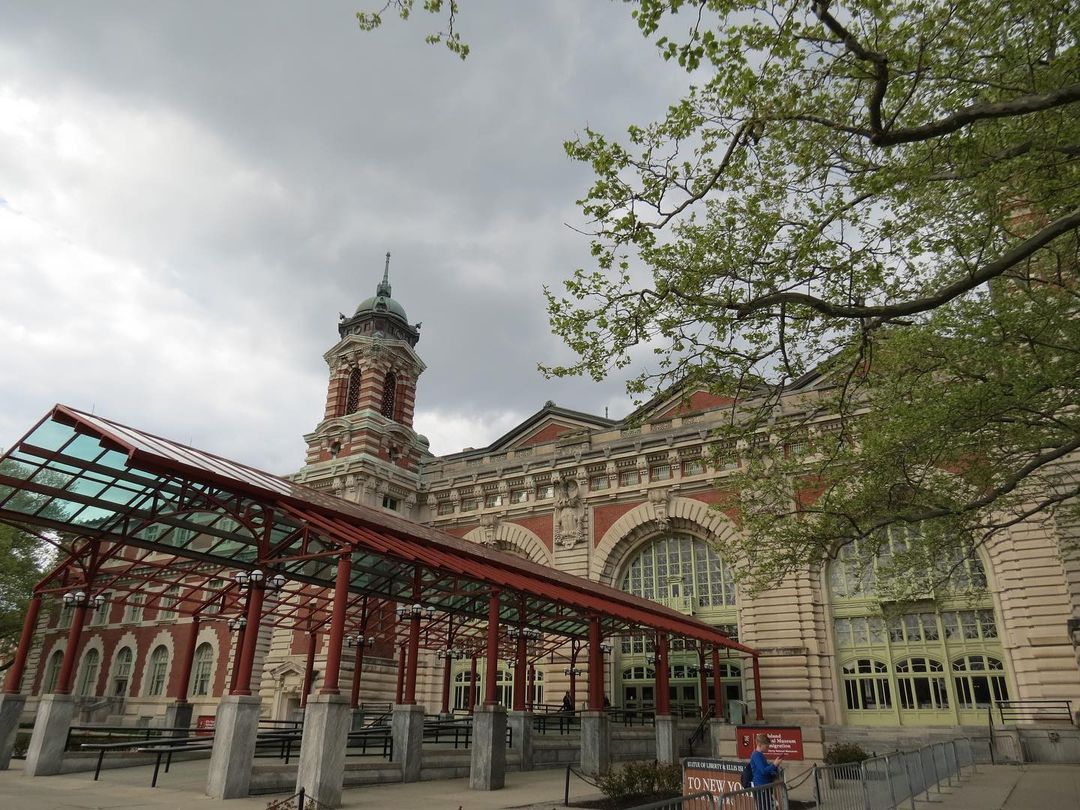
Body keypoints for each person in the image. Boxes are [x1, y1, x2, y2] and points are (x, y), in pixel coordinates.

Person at [749, 733, 783, 809]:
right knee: (764, 807)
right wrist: (774, 764)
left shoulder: (760, 755)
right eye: (766, 746)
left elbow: (766, 769)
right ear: (760, 744)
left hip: (765, 785)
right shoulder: (756, 755)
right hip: (761, 786)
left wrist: (775, 766)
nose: (768, 748)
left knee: (768, 806)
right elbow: (763, 771)